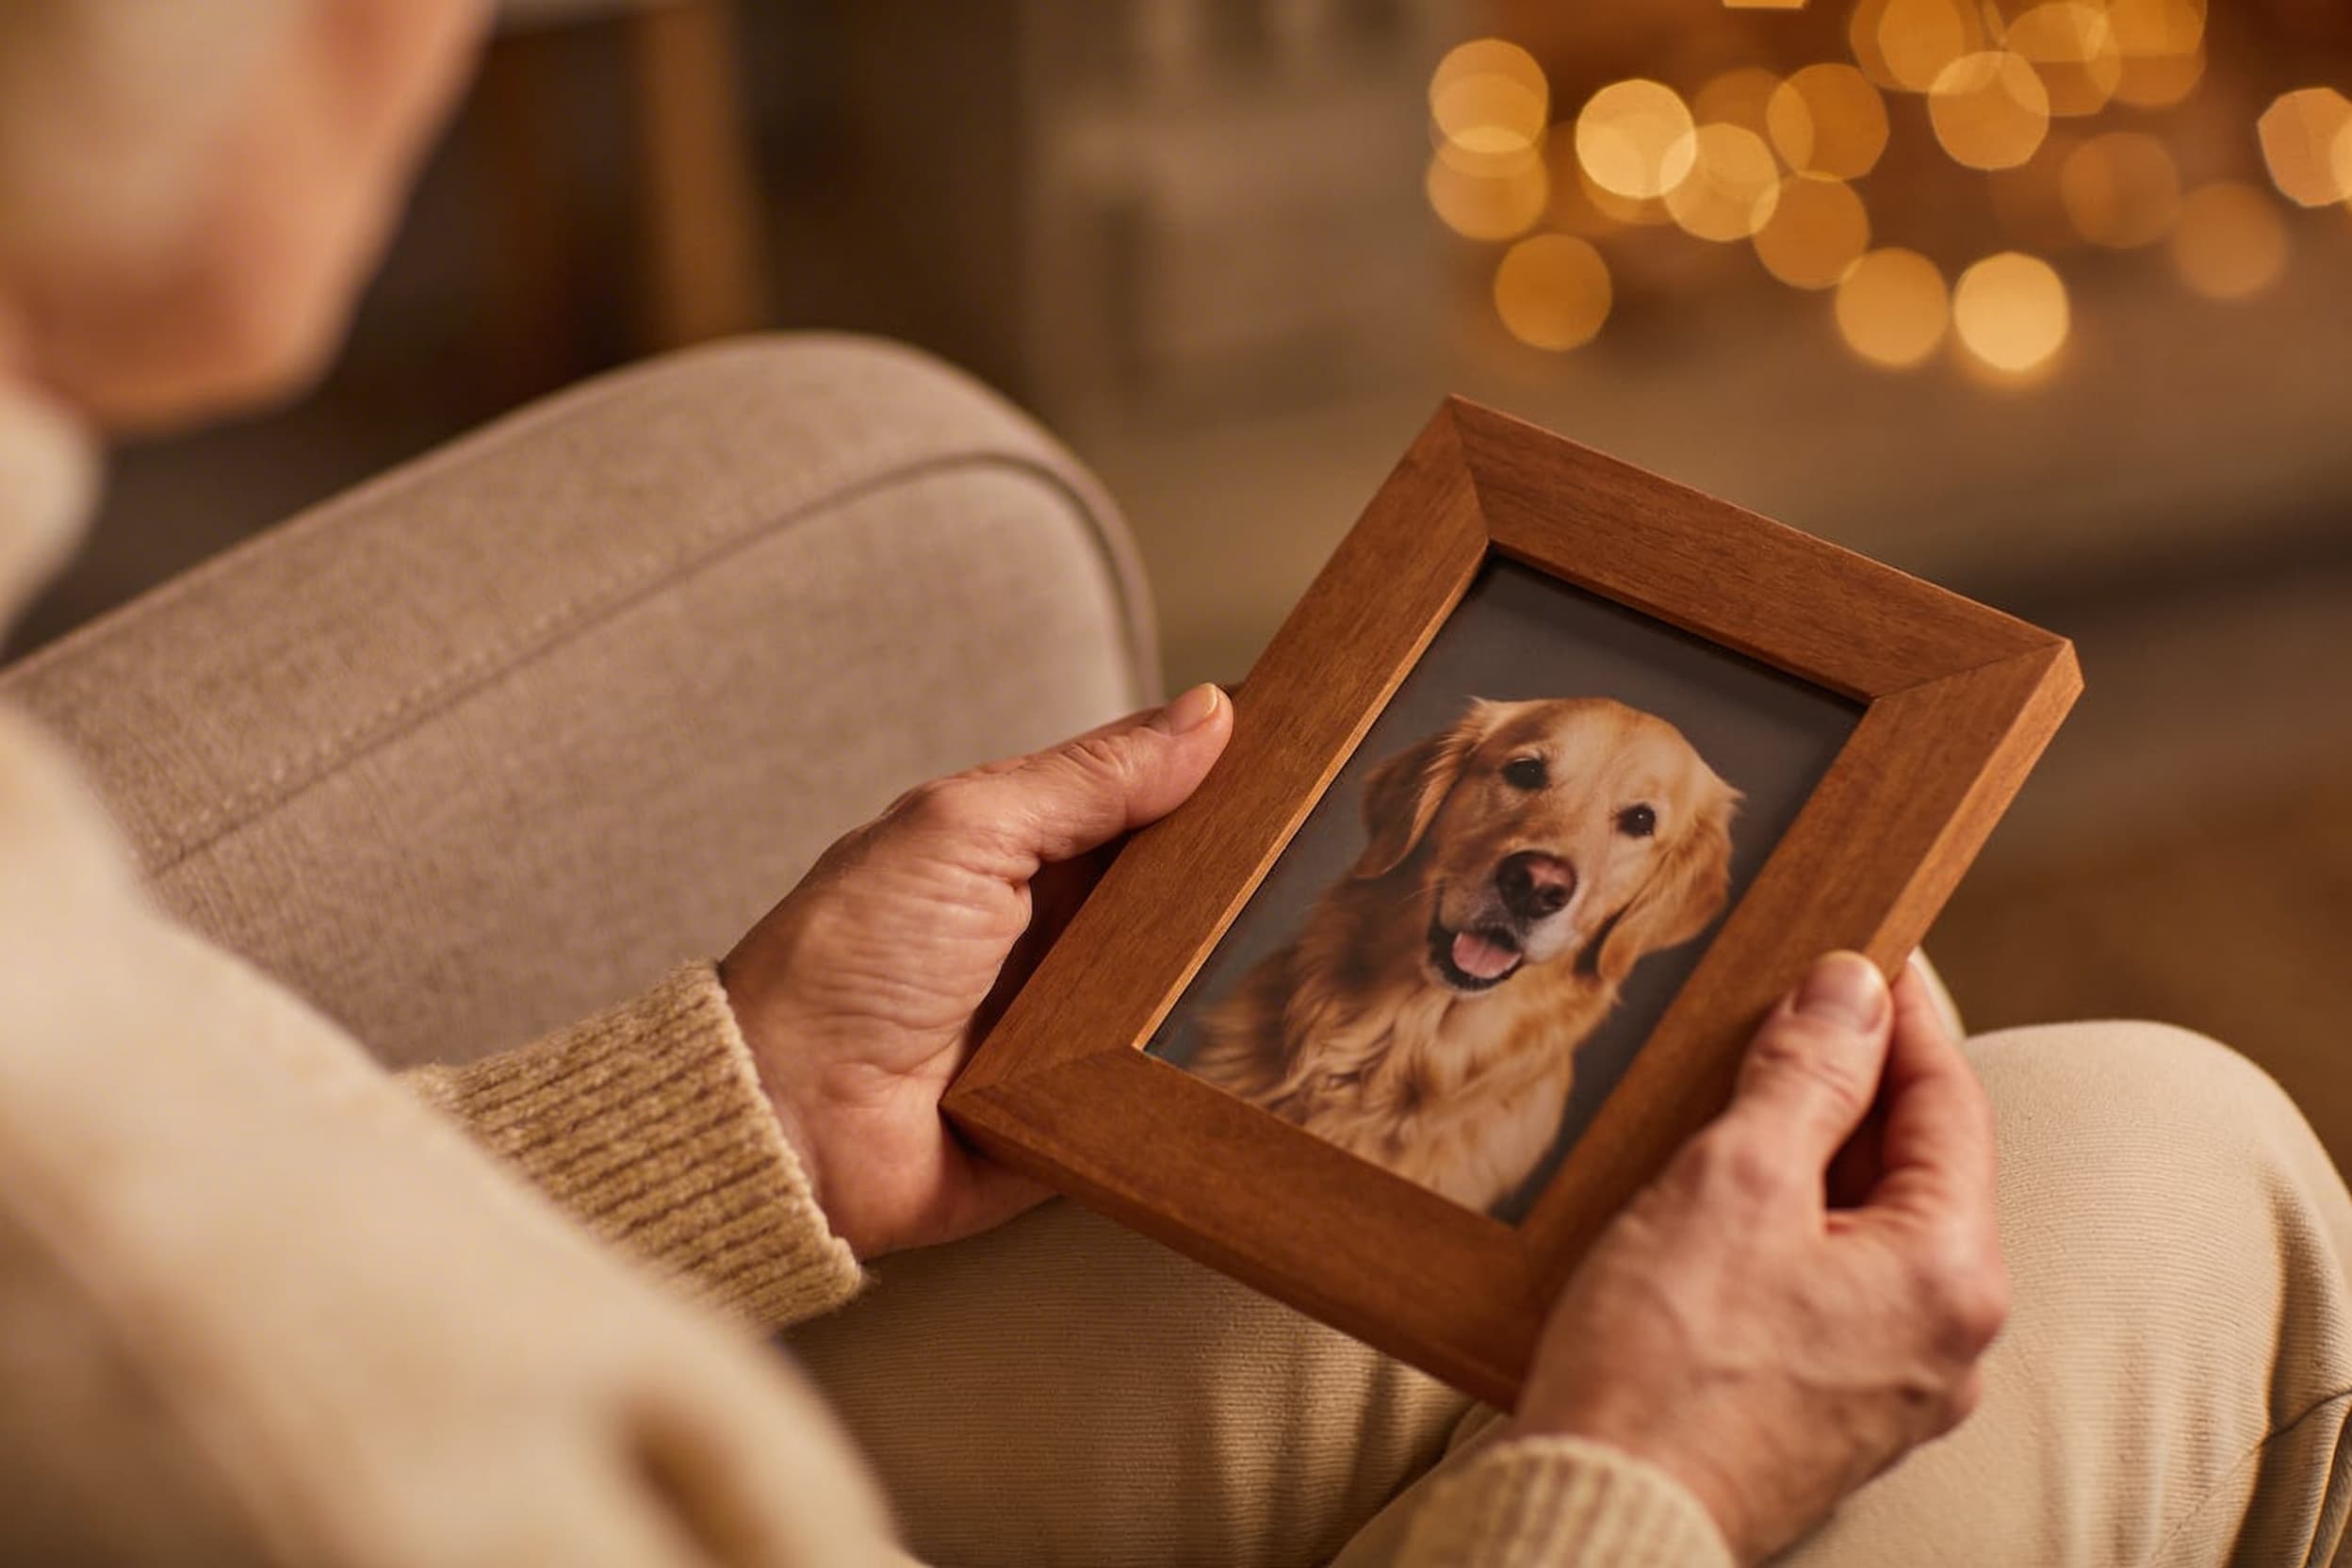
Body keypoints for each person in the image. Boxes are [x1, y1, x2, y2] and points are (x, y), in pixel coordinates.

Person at [2, 4, 2347, 1564]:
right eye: (1527, 785)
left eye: (1626, 835)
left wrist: (722, 1118)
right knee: (2180, 1165)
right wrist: (1648, 1476)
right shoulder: (204, 1381)